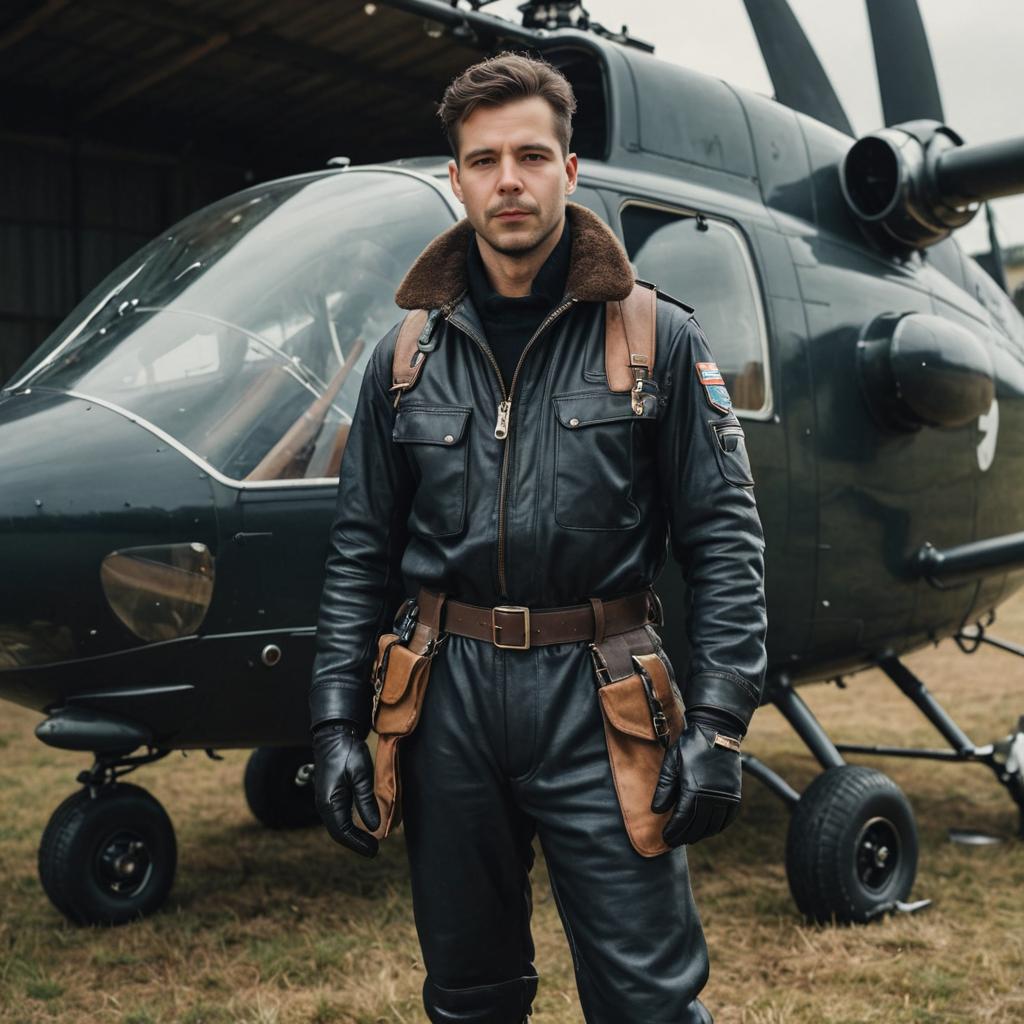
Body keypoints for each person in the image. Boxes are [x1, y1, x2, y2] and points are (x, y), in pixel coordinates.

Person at [308, 51, 767, 1024]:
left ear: (570, 169)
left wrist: (721, 720)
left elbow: (724, 541)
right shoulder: (403, 356)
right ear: (456, 180)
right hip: (447, 704)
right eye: (483, 160)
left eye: (530, 154)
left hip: (601, 694)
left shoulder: (658, 341)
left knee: (648, 1001)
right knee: (469, 998)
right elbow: (359, 552)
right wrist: (335, 721)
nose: (507, 180)